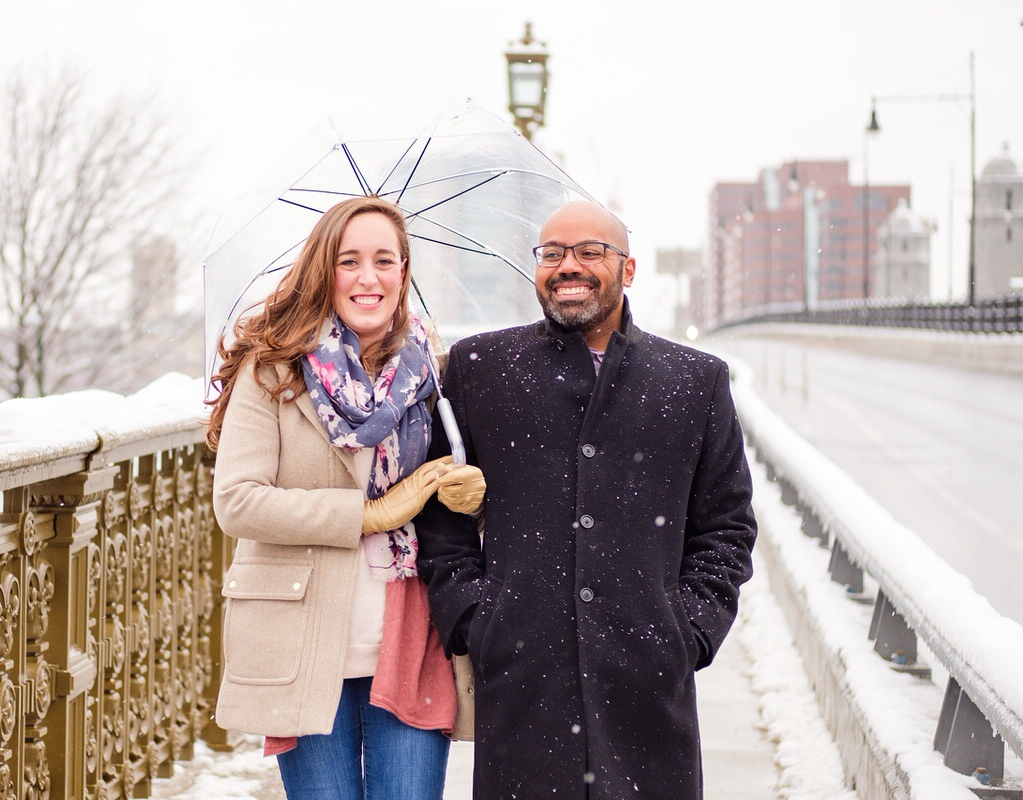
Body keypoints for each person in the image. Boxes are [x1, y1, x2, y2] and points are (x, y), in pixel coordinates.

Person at [415, 200, 758, 799]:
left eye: (589, 252)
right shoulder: (479, 369)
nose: (567, 266)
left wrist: (688, 631)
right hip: (523, 683)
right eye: (552, 253)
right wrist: (475, 619)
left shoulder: (694, 381)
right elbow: (441, 515)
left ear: (627, 270)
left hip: (647, 687)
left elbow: (726, 527)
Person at [206, 195, 477, 799]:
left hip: (410, 631)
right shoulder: (272, 370)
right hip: (302, 634)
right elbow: (239, 501)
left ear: (404, 272)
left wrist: (473, 496)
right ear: (323, 269)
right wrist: (367, 514)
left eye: (385, 260)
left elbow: (462, 489)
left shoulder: (434, 376)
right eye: (349, 261)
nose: (368, 277)